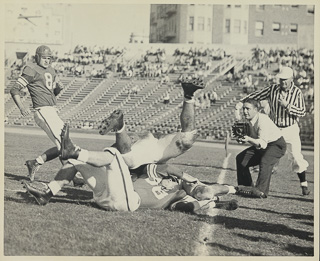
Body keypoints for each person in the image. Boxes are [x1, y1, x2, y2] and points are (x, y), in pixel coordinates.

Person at [23, 78, 238, 215]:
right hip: (113, 188)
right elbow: (194, 183)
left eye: (197, 191)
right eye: (199, 188)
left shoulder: (180, 198)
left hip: (126, 197)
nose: (198, 189)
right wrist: (227, 189)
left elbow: (196, 200)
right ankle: (48, 193)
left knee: (183, 140)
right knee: (83, 160)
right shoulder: (173, 179)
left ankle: (115, 130)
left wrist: (212, 199)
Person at [9, 45, 83, 185]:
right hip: (43, 111)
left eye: (49, 58)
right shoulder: (31, 69)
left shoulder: (51, 70)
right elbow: (14, 89)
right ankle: (73, 177)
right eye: (44, 58)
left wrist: (58, 89)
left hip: (52, 110)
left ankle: (35, 162)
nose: (47, 61)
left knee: (65, 144)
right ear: (37, 57)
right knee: (64, 145)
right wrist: (21, 107)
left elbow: (50, 94)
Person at [235, 66, 311, 196]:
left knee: (296, 158)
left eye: (285, 80)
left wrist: (287, 106)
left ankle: (303, 184)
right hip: (274, 128)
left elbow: (302, 111)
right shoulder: (273, 89)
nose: (283, 82)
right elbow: (256, 95)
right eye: (281, 80)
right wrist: (242, 102)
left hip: (290, 128)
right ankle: (251, 185)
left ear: (292, 79)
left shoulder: (297, 92)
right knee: (263, 154)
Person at [234, 99, 286, 198]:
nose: (245, 111)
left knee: (265, 161)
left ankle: (261, 191)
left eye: (248, 109)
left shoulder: (263, 120)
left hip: (276, 144)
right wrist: (242, 139)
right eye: (244, 108)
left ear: (256, 109)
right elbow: (256, 141)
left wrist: (248, 139)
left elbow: (262, 144)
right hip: (264, 145)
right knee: (240, 159)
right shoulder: (248, 120)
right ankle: (245, 187)